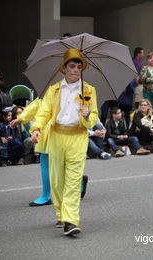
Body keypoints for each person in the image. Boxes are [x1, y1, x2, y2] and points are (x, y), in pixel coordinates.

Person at [30, 48, 98, 236]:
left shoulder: (89, 90)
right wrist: (36, 128)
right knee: (57, 181)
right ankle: (61, 213)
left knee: (74, 181)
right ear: (64, 68)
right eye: (72, 66)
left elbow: (93, 118)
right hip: (57, 137)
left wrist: (87, 115)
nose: (76, 69)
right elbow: (43, 112)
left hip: (78, 138)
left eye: (79, 66)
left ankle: (71, 220)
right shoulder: (54, 90)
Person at [118, 47, 145, 126]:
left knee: (125, 108)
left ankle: (124, 124)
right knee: (127, 107)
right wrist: (137, 82)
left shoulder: (134, 61)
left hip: (128, 86)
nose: (143, 54)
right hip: (130, 87)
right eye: (142, 53)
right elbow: (135, 75)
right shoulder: (136, 62)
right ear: (138, 53)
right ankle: (125, 125)